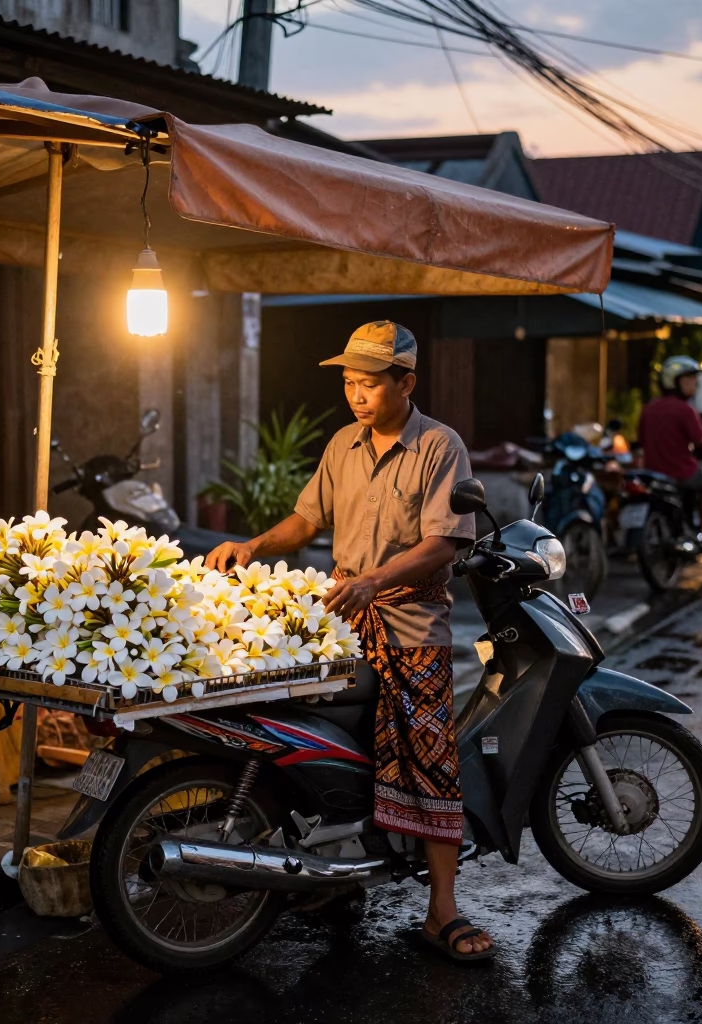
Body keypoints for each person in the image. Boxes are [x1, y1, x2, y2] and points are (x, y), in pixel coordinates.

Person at [205, 320, 494, 963]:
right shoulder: (343, 443)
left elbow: (445, 542)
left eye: (368, 383)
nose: (356, 394)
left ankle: (440, 908)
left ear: (406, 383)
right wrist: (250, 545)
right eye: (349, 382)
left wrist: (375, 581)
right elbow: (308, 518)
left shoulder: (439, 447)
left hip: (410, 621)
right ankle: (330, 860)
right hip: (341, 615)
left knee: (429, 752)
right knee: (312, 725)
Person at [638, 356, 702, 537]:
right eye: (689, 380)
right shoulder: (685, 410)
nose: (694, 384)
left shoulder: (649, 408)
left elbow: (641, 441)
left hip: (652, 472)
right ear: (675, 382)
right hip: (680, 471)